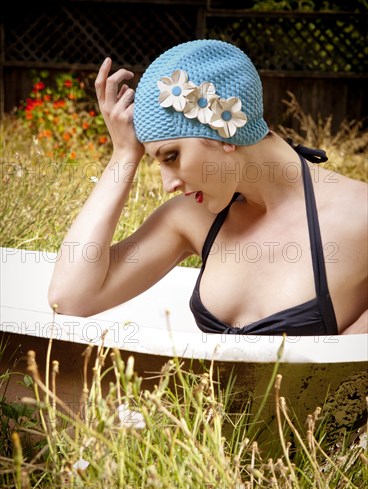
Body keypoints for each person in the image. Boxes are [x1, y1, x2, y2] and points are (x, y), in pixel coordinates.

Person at [48, 39, 367, 335]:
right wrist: (123, 154)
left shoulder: (358, 216)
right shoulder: (191, 218)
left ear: (223, 133)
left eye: (171, 156)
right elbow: (70, 300)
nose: (168, 184)